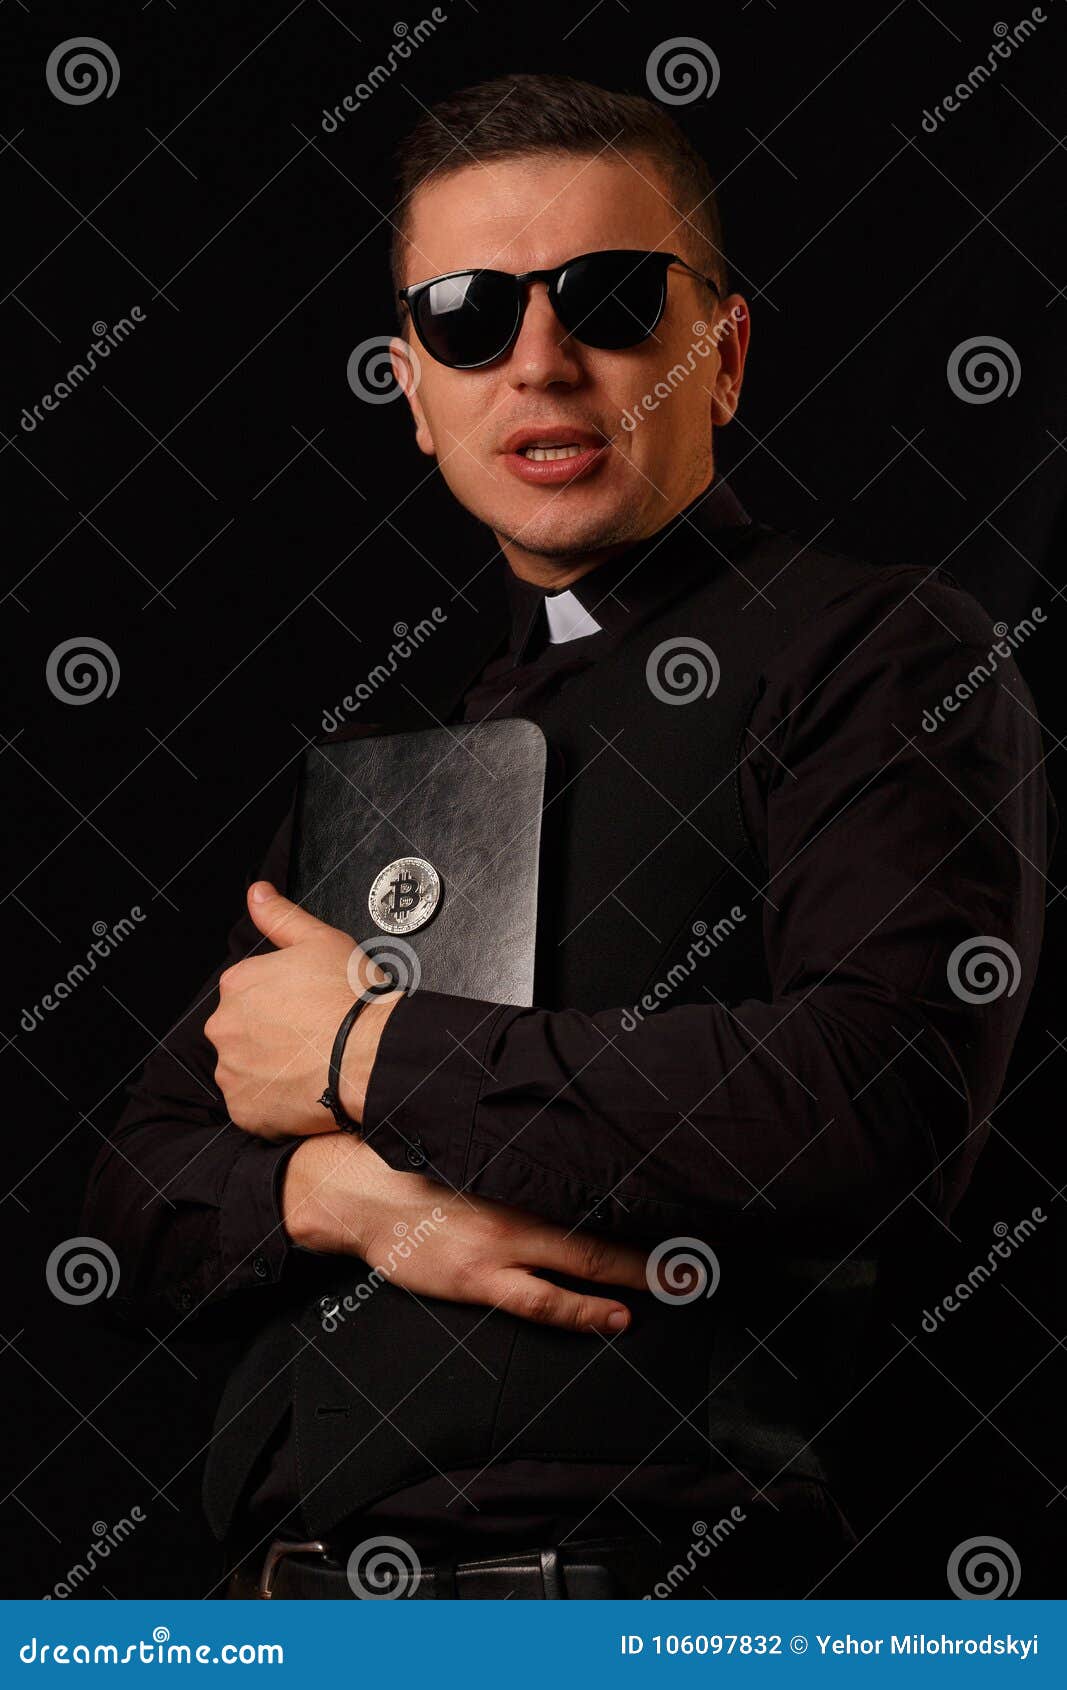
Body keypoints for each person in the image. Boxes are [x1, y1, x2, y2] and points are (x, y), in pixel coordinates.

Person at [84, 73, 1055, 1601]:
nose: (539, 362)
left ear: (720, 356)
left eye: (608, 299)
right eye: (470, 314)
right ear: (413, 389)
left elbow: (880, 1094)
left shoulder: (880, 652)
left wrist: (367, 1060)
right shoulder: (390, 752)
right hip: (286, 1616)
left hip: (626, 1601)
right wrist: (341, 1201)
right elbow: (133, 1186)